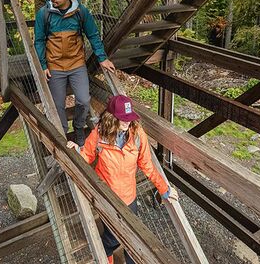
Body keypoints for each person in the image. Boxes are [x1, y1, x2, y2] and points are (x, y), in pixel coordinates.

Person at [67, 94, 178, 264]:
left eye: (129, 117)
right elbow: (87, 156)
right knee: (113, 238)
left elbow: (147, 164)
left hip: (128, 197)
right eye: (122, 119)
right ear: (112, 118)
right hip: (106, 196)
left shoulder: (138, 134)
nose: (127, 122)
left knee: (132, 238)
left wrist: (164, 189)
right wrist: (76, 152)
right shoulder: (99, 132)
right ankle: (105, 257)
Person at [34, 0, 115, 146]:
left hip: (77, 64)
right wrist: (42, 65)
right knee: (57, 105)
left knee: (84, 100)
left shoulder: (81, 13)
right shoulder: (44, 14)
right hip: (55, 65)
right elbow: (39, 41)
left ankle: (78, 127)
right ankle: (62, 134)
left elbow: (92, 35)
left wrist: (103, 58)